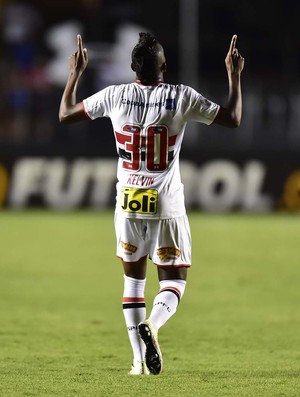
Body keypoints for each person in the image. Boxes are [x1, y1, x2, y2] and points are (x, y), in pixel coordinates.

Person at [59, 32, 244, 375]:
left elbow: (66, 113)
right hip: (165, 201)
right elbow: (233, 118)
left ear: (132, 68)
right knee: (174, 281)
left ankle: (137, 362)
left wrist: (75, 73)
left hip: (127, 199)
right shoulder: (181, 95)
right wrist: (233, 75)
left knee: (133, 283)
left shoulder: (115, 95)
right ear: (164, 67)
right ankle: (154, 326)